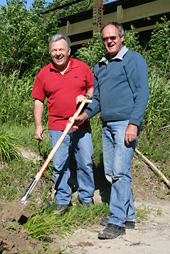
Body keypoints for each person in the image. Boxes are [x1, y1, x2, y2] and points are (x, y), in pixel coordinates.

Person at [72, 22, 149, 239]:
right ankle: (128, 216)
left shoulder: (133, 59)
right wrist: (85, 116)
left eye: (113, 37)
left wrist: (134, 123)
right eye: (105, 38)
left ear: (122, 37)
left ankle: (116, 222)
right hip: (107, 125)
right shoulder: (100, 65)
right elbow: (97, 100)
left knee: (119, 173)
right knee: (111, 173)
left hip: (126, 123)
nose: (109, 41)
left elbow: (142, 94)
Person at [31, 34, 95, 213]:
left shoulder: (82, 67)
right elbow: (38, 100)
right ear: (50, 52)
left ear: (69, 50)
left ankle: (86, 197)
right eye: (54, 50)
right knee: (59, 164)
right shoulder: (44, 73)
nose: (58, 53)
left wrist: (87, 97)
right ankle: (62, 199)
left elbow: (91, 87)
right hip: (57, 126)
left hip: (81, 124)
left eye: (61, 49)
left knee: (86, 162)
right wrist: (38, 125)